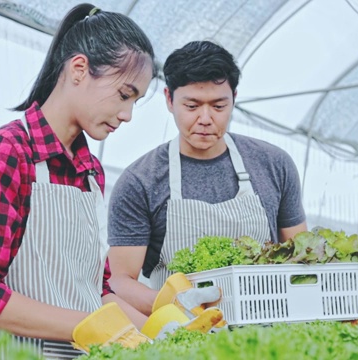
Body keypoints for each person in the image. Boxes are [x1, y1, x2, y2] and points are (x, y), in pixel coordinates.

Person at [0, 4, 160, 358]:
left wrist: (160, 333)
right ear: (79, 69)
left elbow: (95, 289)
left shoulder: (89, 171)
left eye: (135, 101)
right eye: (124, 95)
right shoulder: (8, 154)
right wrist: (87, 327)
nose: (127, 115)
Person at [106, 40, 308, 315]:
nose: (205, 118)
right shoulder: (140, 181)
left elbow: (301, 258)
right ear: (169, 99)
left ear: (234, 99)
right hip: (183, 336)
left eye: (218, 106)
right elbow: (120, 281)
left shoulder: (274, 164)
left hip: (269, 330)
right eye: (191, 105)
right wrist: (177, 305)